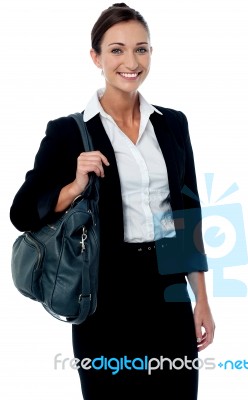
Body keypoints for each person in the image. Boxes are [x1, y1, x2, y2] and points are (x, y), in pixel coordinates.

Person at [10, 3, 215, 399]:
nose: (131, 61)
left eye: (142, 49)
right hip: (102, 294)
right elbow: (21, 212)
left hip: (168, 291)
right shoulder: (68, 132)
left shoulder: (172, 123)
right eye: (117, 49)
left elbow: (188, 215)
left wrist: (201, 300)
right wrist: (73, 185)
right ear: (96, 57)